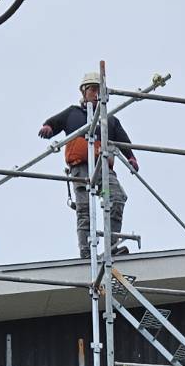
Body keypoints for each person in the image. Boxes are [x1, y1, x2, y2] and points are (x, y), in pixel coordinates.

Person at [38, 71, 139, 258]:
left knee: (115, 198)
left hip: (102, 170)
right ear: (84, 92)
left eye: (99, 90)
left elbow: (123, 141)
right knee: (84, 209)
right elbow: (54, 123)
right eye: (92, 89)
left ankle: (112, 245)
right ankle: (86, 253)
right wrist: (48, 127)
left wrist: (131, 157)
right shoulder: (73, 114)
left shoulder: (109, 119)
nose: (96, 93)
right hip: (81, 170)